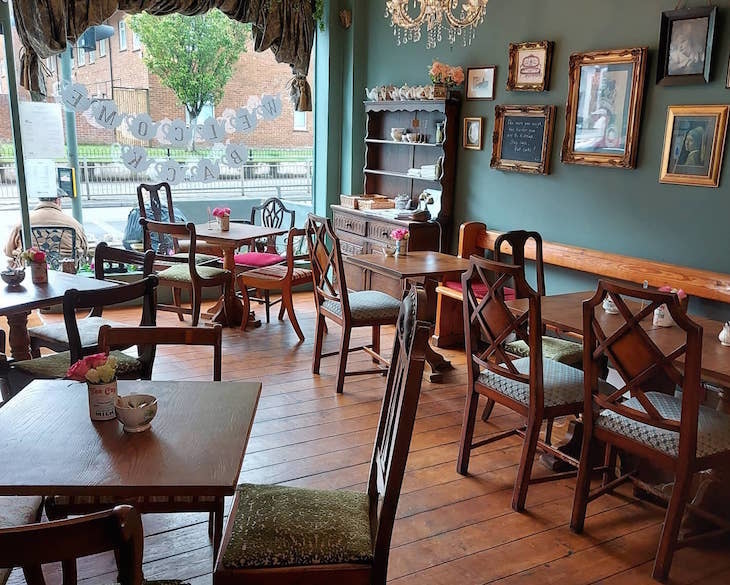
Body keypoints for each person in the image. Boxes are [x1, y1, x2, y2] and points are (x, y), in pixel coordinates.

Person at [4, 189, 88, 261]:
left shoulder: (23, 223)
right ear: (57, 201)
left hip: (32, 271)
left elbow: (8, 251)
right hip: (67, 272)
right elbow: (84, 250)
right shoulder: (74, 224)